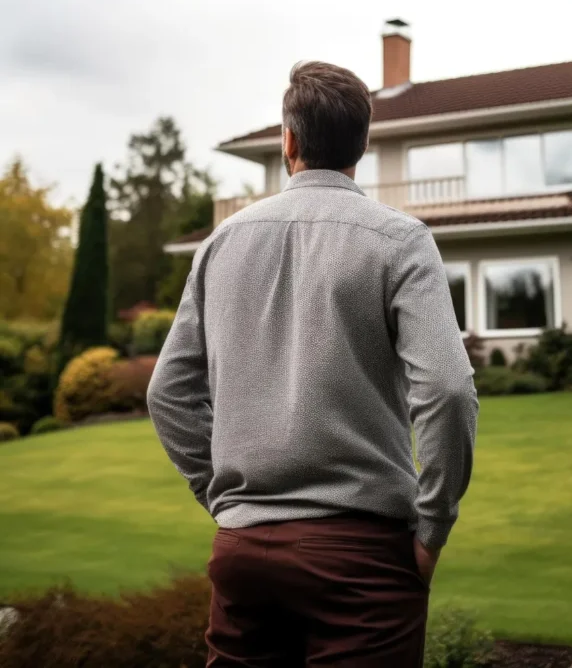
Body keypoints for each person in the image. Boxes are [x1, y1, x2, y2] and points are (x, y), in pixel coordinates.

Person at [147, 60, 479, 667]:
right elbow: (450, 389)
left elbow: (167, 393)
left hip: (244, 551)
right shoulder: (401, 240)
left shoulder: (221, 242)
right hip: (362, 561)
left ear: (289, 142)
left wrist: (224, 500)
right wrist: (433, 529)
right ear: (364, 145)